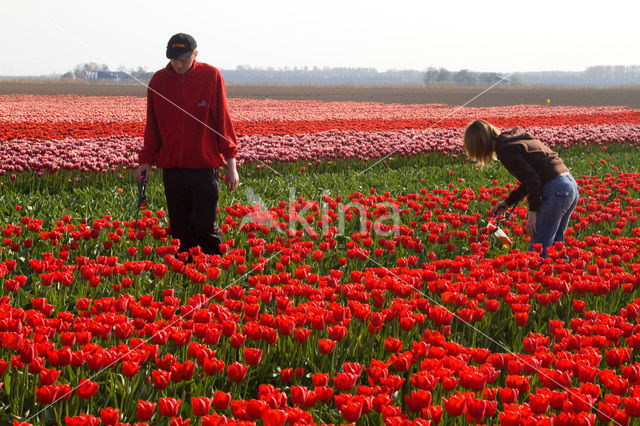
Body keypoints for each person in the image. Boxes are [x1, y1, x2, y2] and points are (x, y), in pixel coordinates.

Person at [135, 33, 239, 257]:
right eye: (174, 59)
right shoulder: (158, 81)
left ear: (195, 55)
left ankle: (219, 267)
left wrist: (231, 163)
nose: (178, 64)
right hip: (173, 168)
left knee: (204, 226)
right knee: (180, 230)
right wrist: (145, 160)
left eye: (183, 59)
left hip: (204, 167)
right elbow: (152, 125)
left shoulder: (211, 76)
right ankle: (188, 276)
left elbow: (223, 120)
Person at [463, 119, 579, 258]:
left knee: (538, 249)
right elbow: (530, 178)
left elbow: (533, 180)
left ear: (479, 146)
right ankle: (563, 276)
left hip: (556, 190)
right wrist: (507, 203)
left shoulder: (505, 150)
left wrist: (533, 214)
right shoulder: (513, 138)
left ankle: (539, 279)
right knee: (556, 246)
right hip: (569, 184)